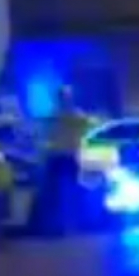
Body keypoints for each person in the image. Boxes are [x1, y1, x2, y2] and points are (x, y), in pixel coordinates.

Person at [33, 87, 90, 235]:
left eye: (66, 97)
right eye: (63, 97)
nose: (65, 100)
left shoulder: (73, 116)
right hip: (58, 158)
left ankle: (70, 225)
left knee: (70, 193)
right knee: (56, 193)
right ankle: (59, 226)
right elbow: (47, 136)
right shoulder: (56, 116)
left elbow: (83, 130)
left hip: (68, 158)